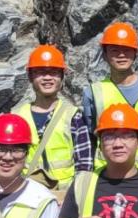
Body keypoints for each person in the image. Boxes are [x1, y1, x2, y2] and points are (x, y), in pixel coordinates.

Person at [19, 44, 90, 197]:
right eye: (40, 72)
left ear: (62, 77)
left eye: (53, 72)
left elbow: (84, 166)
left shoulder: (73, 116)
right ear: (31, 77)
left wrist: (73, 200)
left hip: (65, 199)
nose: (47, 78)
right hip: (28, 198)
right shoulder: (17, 117)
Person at [83, 20, 138, 132]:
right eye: (114, 50)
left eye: (127, 49)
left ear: (135, 53)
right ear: (104, 55)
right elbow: (89, 136)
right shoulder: (93, 93)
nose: (121, 55)